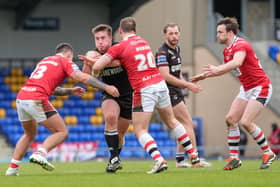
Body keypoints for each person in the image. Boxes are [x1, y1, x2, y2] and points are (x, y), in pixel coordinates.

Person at [93, 17, 201, 174]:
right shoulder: (143, 41)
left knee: (140, 129)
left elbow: (97, 66)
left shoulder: (120, 46)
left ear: (121, 31)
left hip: (144, 88)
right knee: (172, 121)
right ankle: (194, 156)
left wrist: (93, 64)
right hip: (160, 84)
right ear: (135, 31)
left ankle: (159, 160)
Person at [5, 43, 119, 176]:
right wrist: (106, 87)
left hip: (22, 97)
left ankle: (12, 169)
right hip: (36, 98)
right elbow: (81, 77)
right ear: (69, 54)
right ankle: (40, 153)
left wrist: (70, 91)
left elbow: (50, 88)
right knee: (61, 132)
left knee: (29, 134)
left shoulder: (45, 60)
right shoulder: (65, 61)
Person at [191, 17, 276, 170]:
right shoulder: (227, 50)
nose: (217, 35)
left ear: (230, 33)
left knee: (245, 122)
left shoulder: (241, 44)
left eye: (220, 32)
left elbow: (237, 62)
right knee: (230, 119)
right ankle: (234, 158)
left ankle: (268, 152)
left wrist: (217, 69)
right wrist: (203, 76)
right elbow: (226, 68)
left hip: (260, 86)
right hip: (246, 88)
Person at [79, 24, 132, 173]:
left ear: (110, 38)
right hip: (109, 92)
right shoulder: (92, 54)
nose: (100, 42)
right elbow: (87, 77)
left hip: (128, 94)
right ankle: (114, 158)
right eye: (97, 39)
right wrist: (87, 63)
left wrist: (96, 61)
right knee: (110, 118)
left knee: (120, 134)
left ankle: (113, 158)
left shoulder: (120, 48)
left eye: (103, 38)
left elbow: (116, 62)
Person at [155, 23, 210, 168]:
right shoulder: (162, 53)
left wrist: (186, 83)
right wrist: (187, 85)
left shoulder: (177, 49)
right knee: (188, 123)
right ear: (165, 35)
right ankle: (195, 158)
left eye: (176, 33)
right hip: (167, 92)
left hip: (176, 91)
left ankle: (180, 160)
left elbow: (177, 72)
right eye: (171, 33)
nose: (174, 36)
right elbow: (165, 76)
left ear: (179, 34)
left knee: (182, 125)